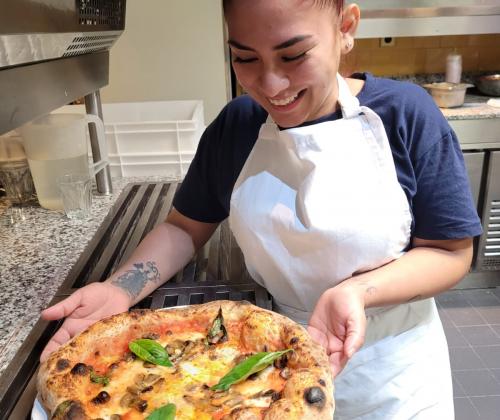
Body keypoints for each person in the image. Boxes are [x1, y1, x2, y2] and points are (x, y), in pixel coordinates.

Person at [40, 0, 482, 418]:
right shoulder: (236, 125)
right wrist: (121, 289)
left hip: (394, 370)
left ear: (345, 28)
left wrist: (357, 292)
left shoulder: (406, 115)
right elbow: (183, 229)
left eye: (293, 56)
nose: (270, 86)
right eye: (245, 58)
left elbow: (450, 252)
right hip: (265, 370)